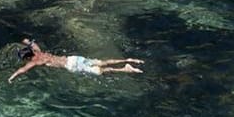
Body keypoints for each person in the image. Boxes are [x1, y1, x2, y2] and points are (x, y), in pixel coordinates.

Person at [8, 37, 143, 82]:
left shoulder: (35, 61)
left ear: (28, 58)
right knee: (101, 62)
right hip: (74, 58)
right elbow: (30, 42)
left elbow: (22, 70)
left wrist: (11, 77)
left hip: (72, 66)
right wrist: (24, 40)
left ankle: (125, 69)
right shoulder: (38, 50)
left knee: (100, 71)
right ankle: (128, 59)